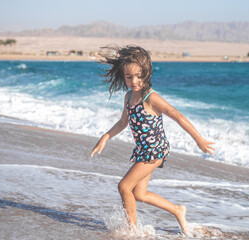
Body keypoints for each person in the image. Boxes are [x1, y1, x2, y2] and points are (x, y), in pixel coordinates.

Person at [90, 45, 215, 233]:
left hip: (155, 150)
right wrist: (106, 136)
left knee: (124, 186)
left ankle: (132, 231)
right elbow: (123, 122)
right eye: (129, 77)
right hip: (143, 151)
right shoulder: (128, 97)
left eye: (139, 76)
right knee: (139, 194)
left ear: (146, 74)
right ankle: (177, 210)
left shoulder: (151, 97)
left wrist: (199, 140)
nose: (134, 81)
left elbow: (177, 115)